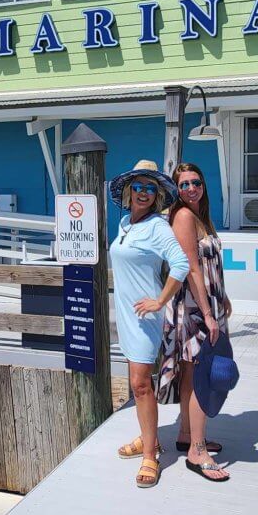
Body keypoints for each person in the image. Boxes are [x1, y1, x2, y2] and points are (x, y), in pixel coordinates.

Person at [109, 160, 189, 489]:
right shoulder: (126, 223)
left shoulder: (158, 226)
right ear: (129, 192)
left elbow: (181, 263)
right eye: (138, 187)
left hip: (145, 317)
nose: (143, 193)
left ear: (156, 195)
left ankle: (150, 455)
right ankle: (148, 437)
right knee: (136, 383)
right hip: (126, 315)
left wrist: (160, 301)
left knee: (141, 385)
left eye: (149, 189)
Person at [158, 162, 232, 482]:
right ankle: (197, 452)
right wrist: (207, 314)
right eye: (184, 184)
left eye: (195, 182)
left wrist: (222, 298)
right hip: (193, 310)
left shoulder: (201, 217)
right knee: (205, 375)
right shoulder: (185, 216)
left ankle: (188, 435)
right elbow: (191, 269)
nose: (190, 189)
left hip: (205, 304)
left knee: (192, 373)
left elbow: (209, 265)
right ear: (176, 189)